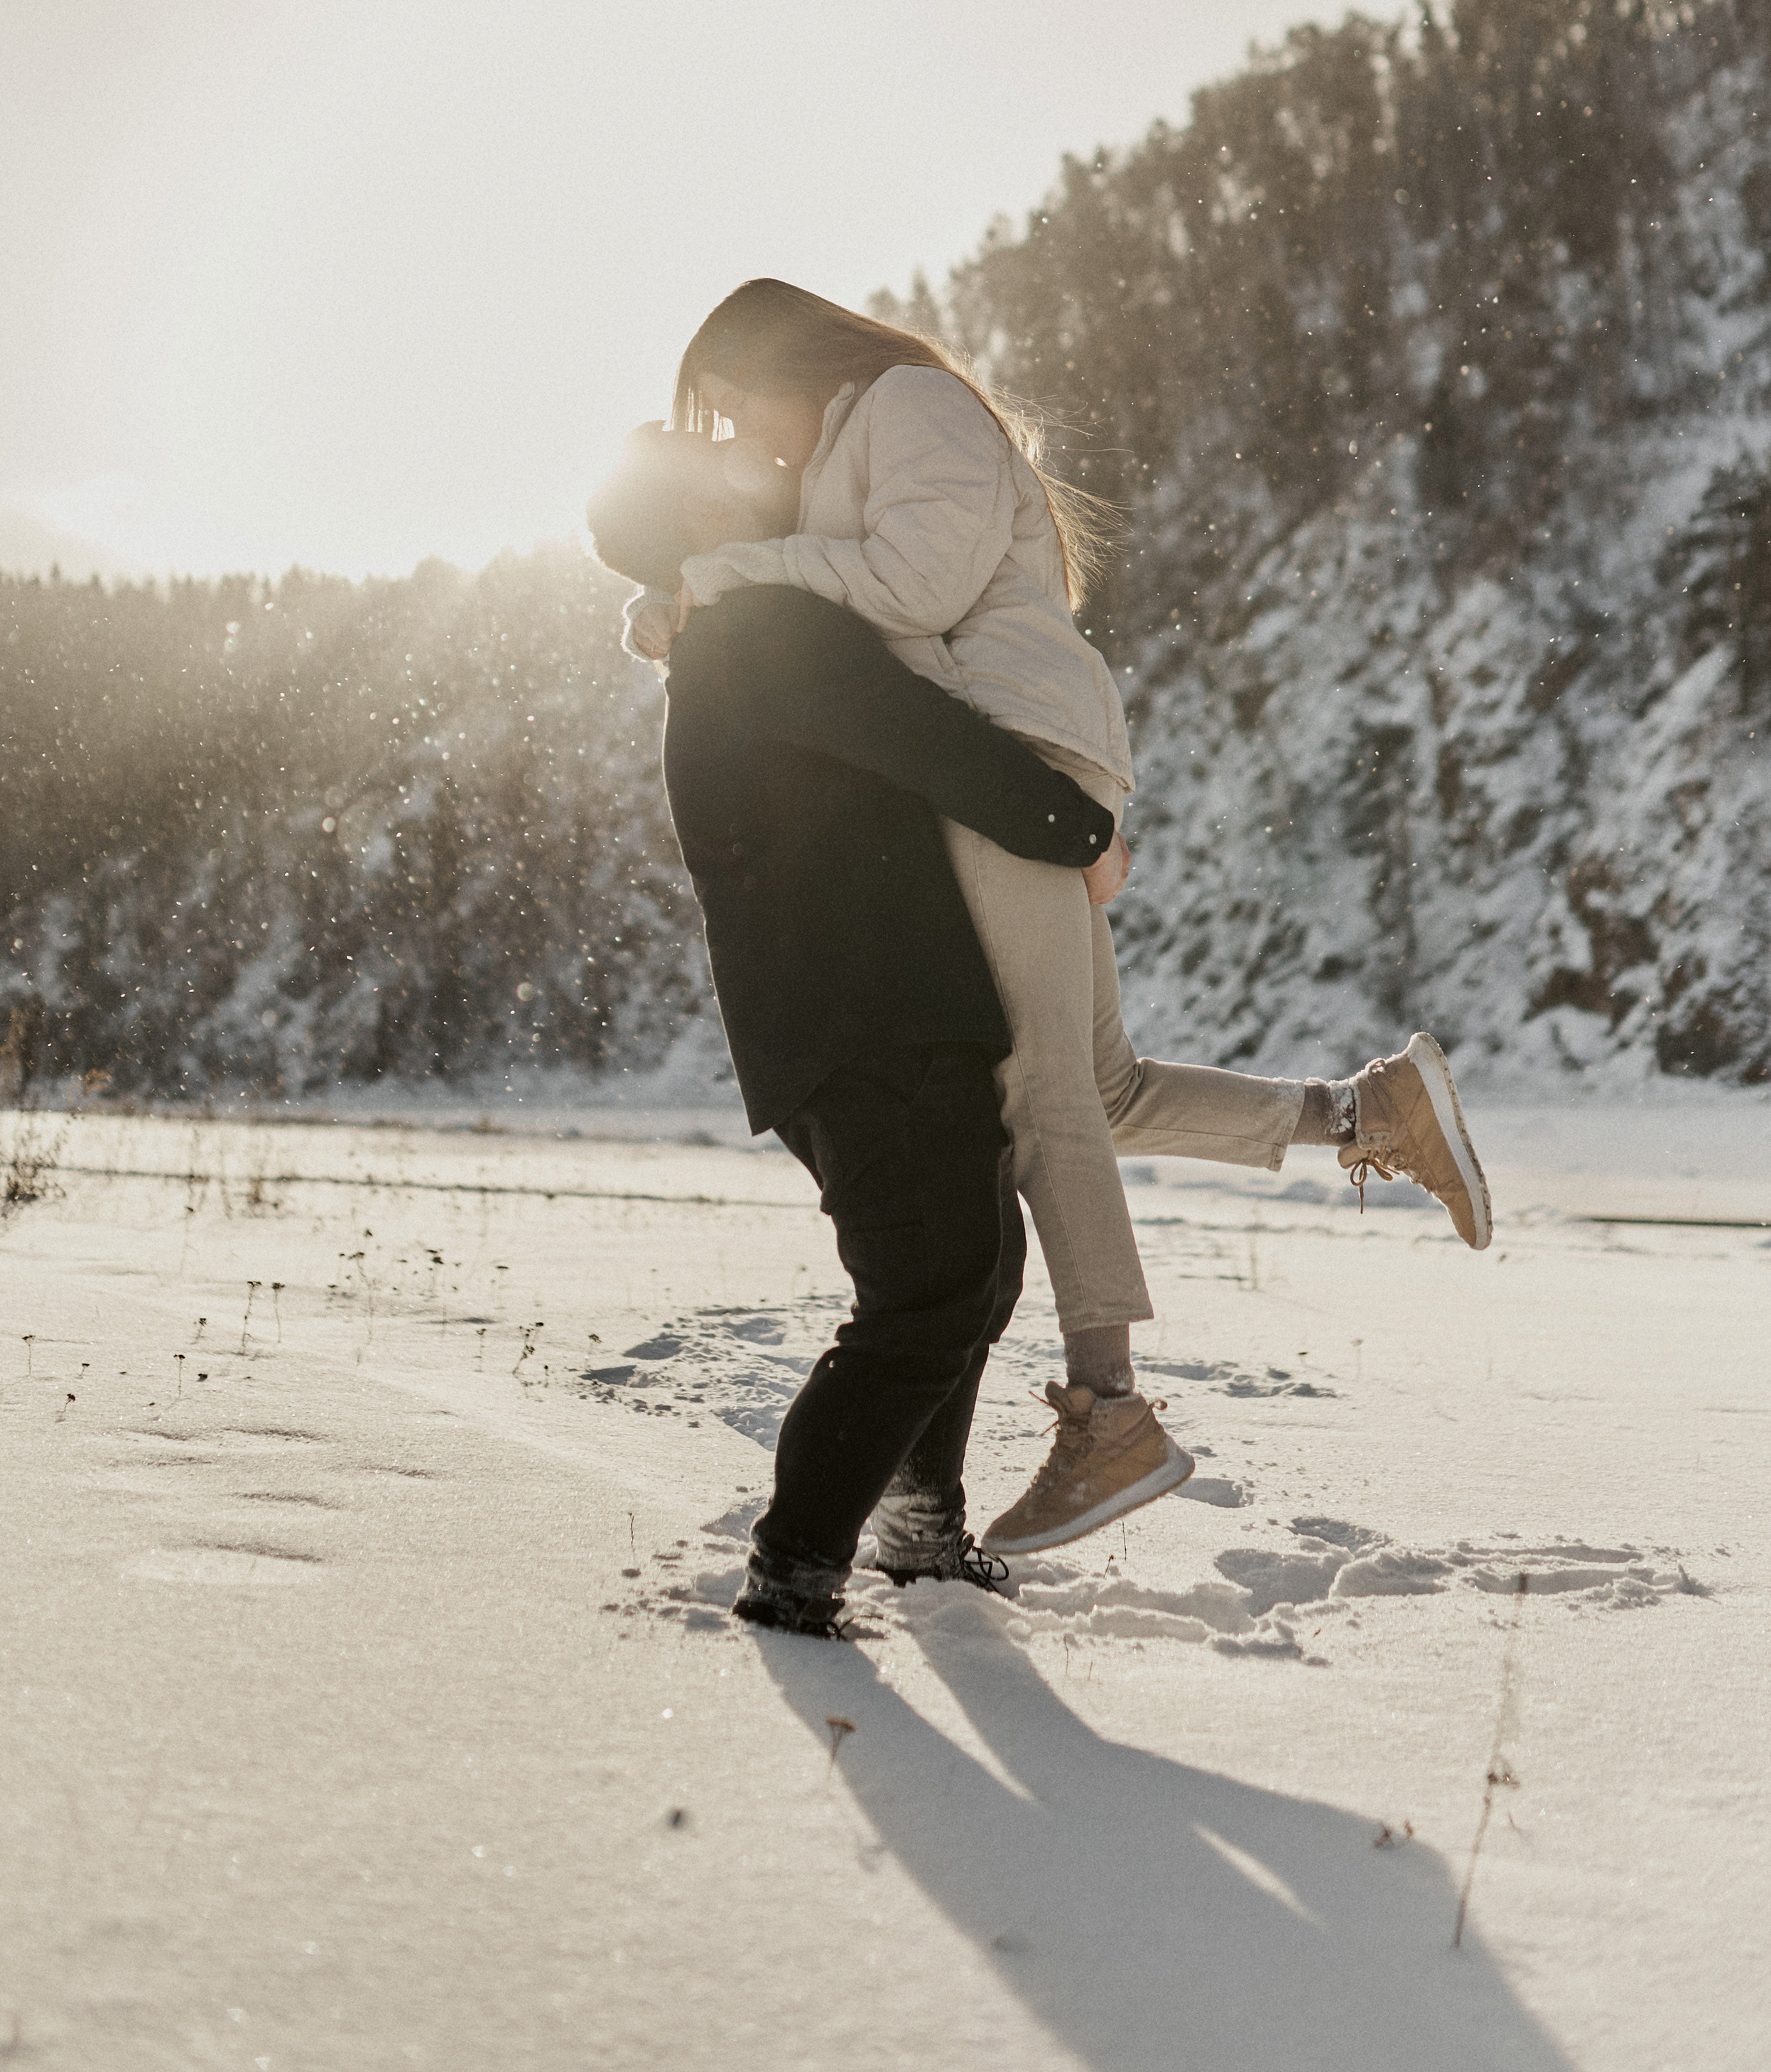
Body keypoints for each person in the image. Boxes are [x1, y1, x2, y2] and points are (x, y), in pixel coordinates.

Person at [629, 279, 1494, 1556]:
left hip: (1006, 752)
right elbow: (812, 608)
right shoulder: (860, 435)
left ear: (786, 356)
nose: (747, 439)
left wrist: (734, 572)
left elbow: (910, 590)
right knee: (1104, 1084)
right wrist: (686, 598)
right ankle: (1368, 1115)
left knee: (1038, 1100)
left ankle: (1111, 1413)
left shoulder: (908, 403)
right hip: (1008, 751)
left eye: (738, 404)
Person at [585, 423, 1196, 1636]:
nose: (739, 454)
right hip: (868, 1013)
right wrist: (1078, 830)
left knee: (971, 1268)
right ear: (696, 521)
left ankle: (918, 1528)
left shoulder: (737, 630)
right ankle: (798, 1561)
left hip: (874, 1009)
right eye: (701, 455)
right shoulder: (766, 627)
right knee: (930, 1282)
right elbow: (930, 743)